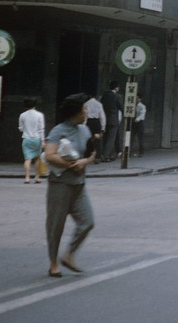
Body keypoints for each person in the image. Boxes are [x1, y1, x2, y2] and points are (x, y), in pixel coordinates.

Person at [44, 93, 96, 278]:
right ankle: (53, 263)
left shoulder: (85, 130)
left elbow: (92, 153)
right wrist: (69, 165)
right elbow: (49, 155)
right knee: (56, 225)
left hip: (79, 185)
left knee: (88, 222)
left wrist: (85, 162)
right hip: (60, 184)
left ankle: (69, 255)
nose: (86, 112)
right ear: (75, 112)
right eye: (84, 109)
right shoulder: (59, 131)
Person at [18, 98, 45, 184]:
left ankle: (27, 177)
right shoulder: (40, 115)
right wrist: (43, 140)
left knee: (27, 159)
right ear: (35, 105)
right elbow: (41, 129)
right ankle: (37, 177)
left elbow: (21, 128)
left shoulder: (22, 115)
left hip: (26, 139)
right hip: (37, 139)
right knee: (37, 159)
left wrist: (25, 129)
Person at [100, 81, 121, 162]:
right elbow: (121, 107)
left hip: (105, 119)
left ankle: (103, 154)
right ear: (116, 87)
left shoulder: (104, 96)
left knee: (105, 138)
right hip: (113, 119)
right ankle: (106, 156)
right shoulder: (117, 96)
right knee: (111, 139)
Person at [84, 91, 106, 162]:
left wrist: (83, 125)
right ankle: (97, 157)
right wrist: (103, 127)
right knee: (97, 140)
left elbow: (85, 116)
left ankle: (88, 156)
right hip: (96, 122)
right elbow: (102, 116)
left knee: (88, 139)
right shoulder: (99, 104)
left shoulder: (85, 104)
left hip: (88, 122)